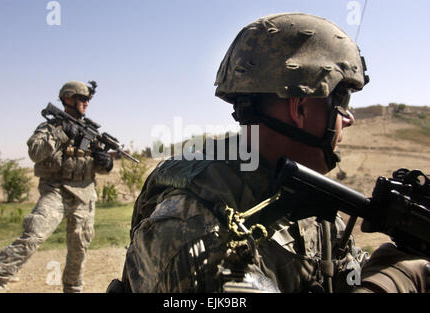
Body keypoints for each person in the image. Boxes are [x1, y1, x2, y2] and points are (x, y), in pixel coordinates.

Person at [108, 13, 429, 293]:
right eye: (341, 101)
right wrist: (392, 283)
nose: (349, 118)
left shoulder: (300, 197)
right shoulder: (195, 232)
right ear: (300, 107)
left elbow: (342, 274)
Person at [0, 81, 114, 293]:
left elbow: (101, 169)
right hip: (56, 191)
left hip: (85, 195)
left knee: (79, 249)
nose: (87, 103)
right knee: (32, 236)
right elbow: (35, 152)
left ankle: (73, 289)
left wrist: (105, 161)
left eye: (88, 99)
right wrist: (62, 133)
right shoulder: (50, 127)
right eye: (83, 98)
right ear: (69, 98)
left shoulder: (90, 133)